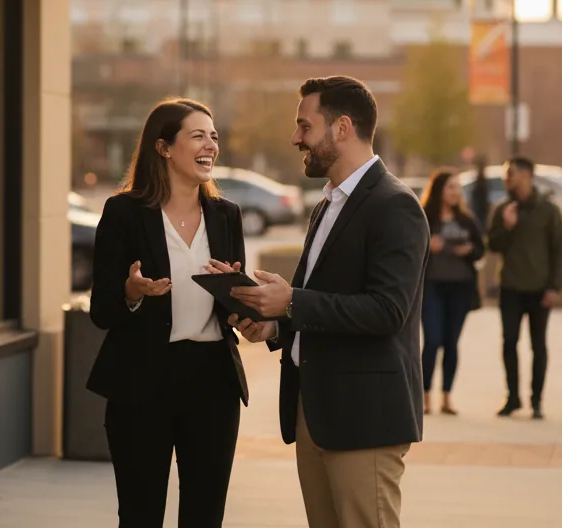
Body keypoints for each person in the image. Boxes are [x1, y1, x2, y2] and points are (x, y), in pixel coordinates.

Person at [227, 76, 429, 528]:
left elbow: (387, 311)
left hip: (364, 418)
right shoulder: (327, 205)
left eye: (305, 125)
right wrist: (275, 323)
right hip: (315, 411)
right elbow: (322, 300)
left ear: (341, 128)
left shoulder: (394, 205)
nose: (295, 138)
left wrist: (292, 303)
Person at [86, 98, 249, 528]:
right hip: (142, 382)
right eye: (197, 136)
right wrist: (132, 292)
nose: (210, 145)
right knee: (139, 515)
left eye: (214, 136)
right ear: (163, 148)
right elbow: (101, 310)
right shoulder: (123, 213)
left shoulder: (226, 215)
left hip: (213, 382)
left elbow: (233, 303)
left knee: (205, 515)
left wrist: (242, 304)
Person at [487, 156, 562, 420]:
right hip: (510, 287)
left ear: (527, 175)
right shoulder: (502, 208)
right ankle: (513, 397)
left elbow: (558, 250)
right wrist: (507, 227)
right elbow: (493, 245)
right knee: (509, 342)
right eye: (506, 174)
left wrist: (554, 287)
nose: (507, 178)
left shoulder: (549, 210)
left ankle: (536, 400)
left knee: (538, 346)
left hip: (540, 289)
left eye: (512, 173)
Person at [419, 168, 484, 415]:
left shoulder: (466, 220)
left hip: (460, 287)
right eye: (450, 187)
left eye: (457, 187)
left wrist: (469, 251)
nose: (455, 192)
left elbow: (480, 250)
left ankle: (447, 396)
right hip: (432, 286)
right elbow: (409, 248)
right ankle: (425, 395)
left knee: (451, 342)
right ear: (438, 190)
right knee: (433, 340)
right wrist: (428, 246)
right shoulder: (424, 217)